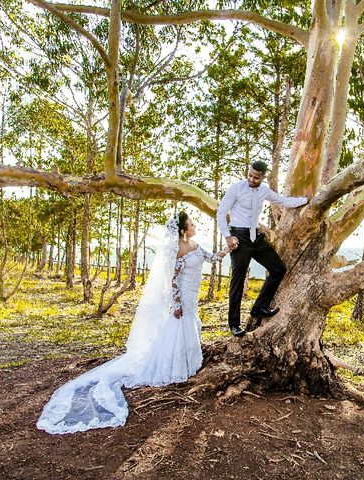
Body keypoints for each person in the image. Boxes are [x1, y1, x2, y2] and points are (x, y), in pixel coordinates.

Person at [37, 212, 229, 434]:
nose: (195, 226)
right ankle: (176, 368)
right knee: (180, 328)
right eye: (192, 224)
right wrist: (177, 303)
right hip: (183, 297)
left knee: (191, 327)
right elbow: (173, 280)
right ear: (183, 230)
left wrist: (228, 247)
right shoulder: (176, 249)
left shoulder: (195, 245)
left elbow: (213, 258)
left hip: (194, 295)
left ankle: (189, 364)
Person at [216, 160, 308, 337]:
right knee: (238, 281)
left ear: (263, 177)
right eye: (250, 175)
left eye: (256, 177)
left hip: (255, 238)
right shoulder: (236, 188)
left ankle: (259, 308)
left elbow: (284, 201)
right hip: (238, 237)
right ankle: (234, 324)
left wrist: (307, 200)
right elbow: (221, 213)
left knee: (278, 269)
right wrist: (227, 237)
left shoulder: (264, 190)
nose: (251, 179)